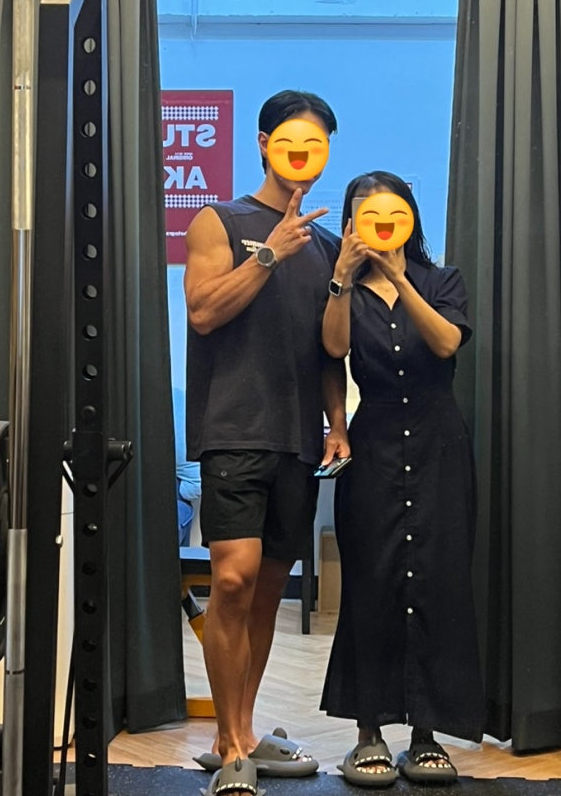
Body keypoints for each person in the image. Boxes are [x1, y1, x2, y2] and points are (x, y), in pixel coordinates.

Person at [183, 90, 350, 796]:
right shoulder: (218, 220)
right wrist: (270, 255)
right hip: (232, 430)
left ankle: (244, 731)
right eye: (291, 141)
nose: (303, 155)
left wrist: (336, 422)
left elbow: (329, 352)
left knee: (267, 591)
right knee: (231, 579)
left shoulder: (329, 245)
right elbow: (202, 311)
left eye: (317, 145)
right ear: (262, 143)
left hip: (297, 438)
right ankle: (226, 743)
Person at [319, 170, 484, 788]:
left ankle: (426, 733)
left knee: (438, 583)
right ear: (351, 222)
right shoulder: (341, 286)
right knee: (372, 581)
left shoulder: (442, 281)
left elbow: (445, 343)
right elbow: (333, 349)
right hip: (375, 444)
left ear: (409, 218)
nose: (379, 224)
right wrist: (343, 276)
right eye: (365, 213)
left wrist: (399, 277)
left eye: (389, 213)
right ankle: (368, 732)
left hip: (441, 445)